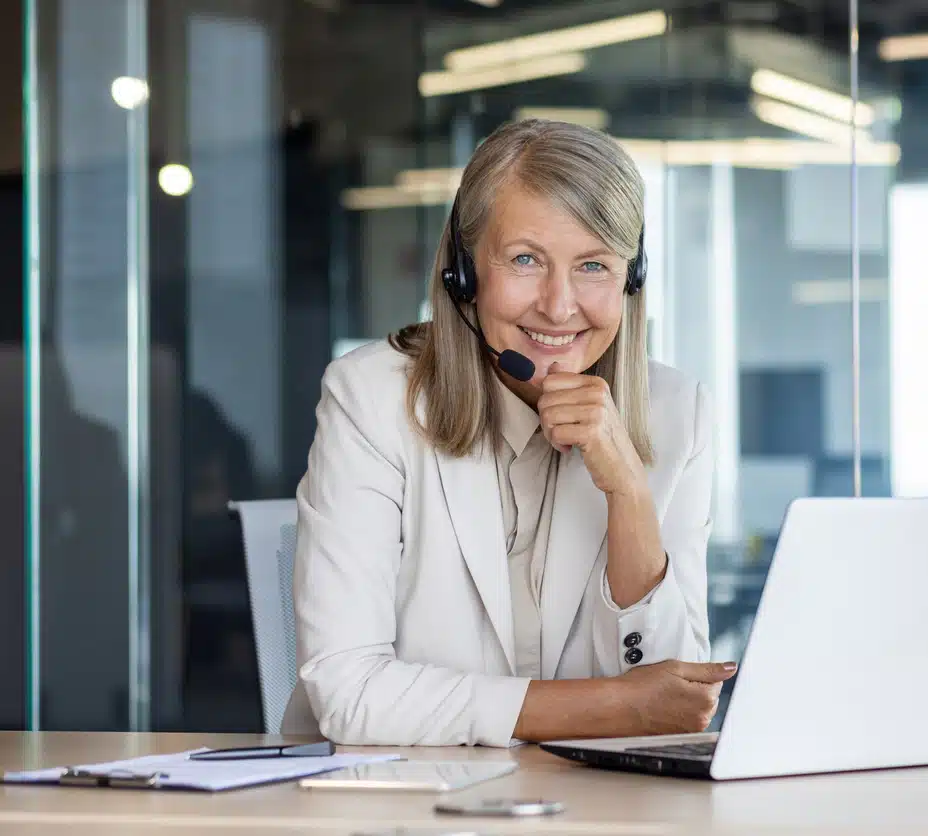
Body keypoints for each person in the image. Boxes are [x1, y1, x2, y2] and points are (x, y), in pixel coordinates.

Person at [281, 119, 735, 747]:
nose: (558, 304)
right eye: (525, 260)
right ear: (462, 274)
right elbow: (350, 693)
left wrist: (629, 494)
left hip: (590, 808)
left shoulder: (677, 412)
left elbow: (676, 704)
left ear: (632, 280)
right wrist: (608, 707)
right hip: (393, 798)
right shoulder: (371, 398)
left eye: (594, 265)